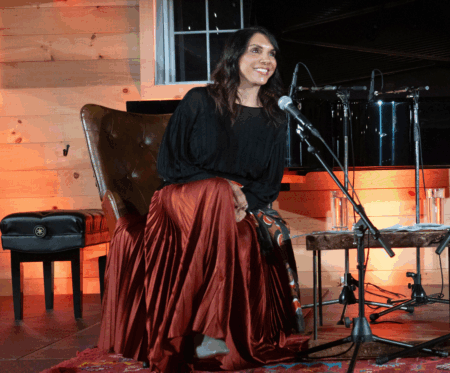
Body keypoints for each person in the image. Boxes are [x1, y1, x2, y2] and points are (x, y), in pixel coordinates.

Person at [98, 27, 304, 372]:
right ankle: (194, 337)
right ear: (234, 57)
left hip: (235, 210)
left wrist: (239, 203)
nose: (265, 60)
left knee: (239, 239)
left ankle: (211, 340)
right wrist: (224, 187)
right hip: (180, 201)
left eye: (271, 54)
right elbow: (170, 165)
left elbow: (266, 186)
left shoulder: (276, 118)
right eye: (255, 51)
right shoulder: (199, 100)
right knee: (216, 193)